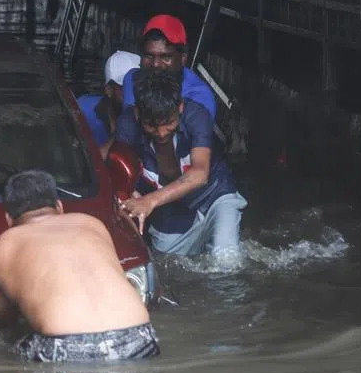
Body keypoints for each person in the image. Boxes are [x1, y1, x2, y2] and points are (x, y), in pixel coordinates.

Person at [0, 170, 160, 363]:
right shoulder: (92, 224)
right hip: (140, 337)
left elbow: (4, 323)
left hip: (66, 346)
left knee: (5, 355)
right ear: (60, 207)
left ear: (8, 219)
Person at [114, 69, 247, 263]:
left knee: (226, 261)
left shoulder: (197, 116)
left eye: (168, 122)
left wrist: (149, 201)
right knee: (168, 268)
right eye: (151, 124)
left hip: (214, 196)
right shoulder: (127, 124)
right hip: (169, 212)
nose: (160, 133)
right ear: (137, 113)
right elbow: (119, 177)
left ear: (181, 107)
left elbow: (200, 173)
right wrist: (130, 199)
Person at [121, 14, 218, 120]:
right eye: (149, 55)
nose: (156, 64)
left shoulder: (199, 99)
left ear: (183, 58)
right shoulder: (131, 79)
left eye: (166, 57)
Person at [76, 50, 140, 147]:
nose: (133, 94)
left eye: (139, 87)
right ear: (109, 90)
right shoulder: (82, 112)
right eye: (127, 88)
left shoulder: (149, 121)